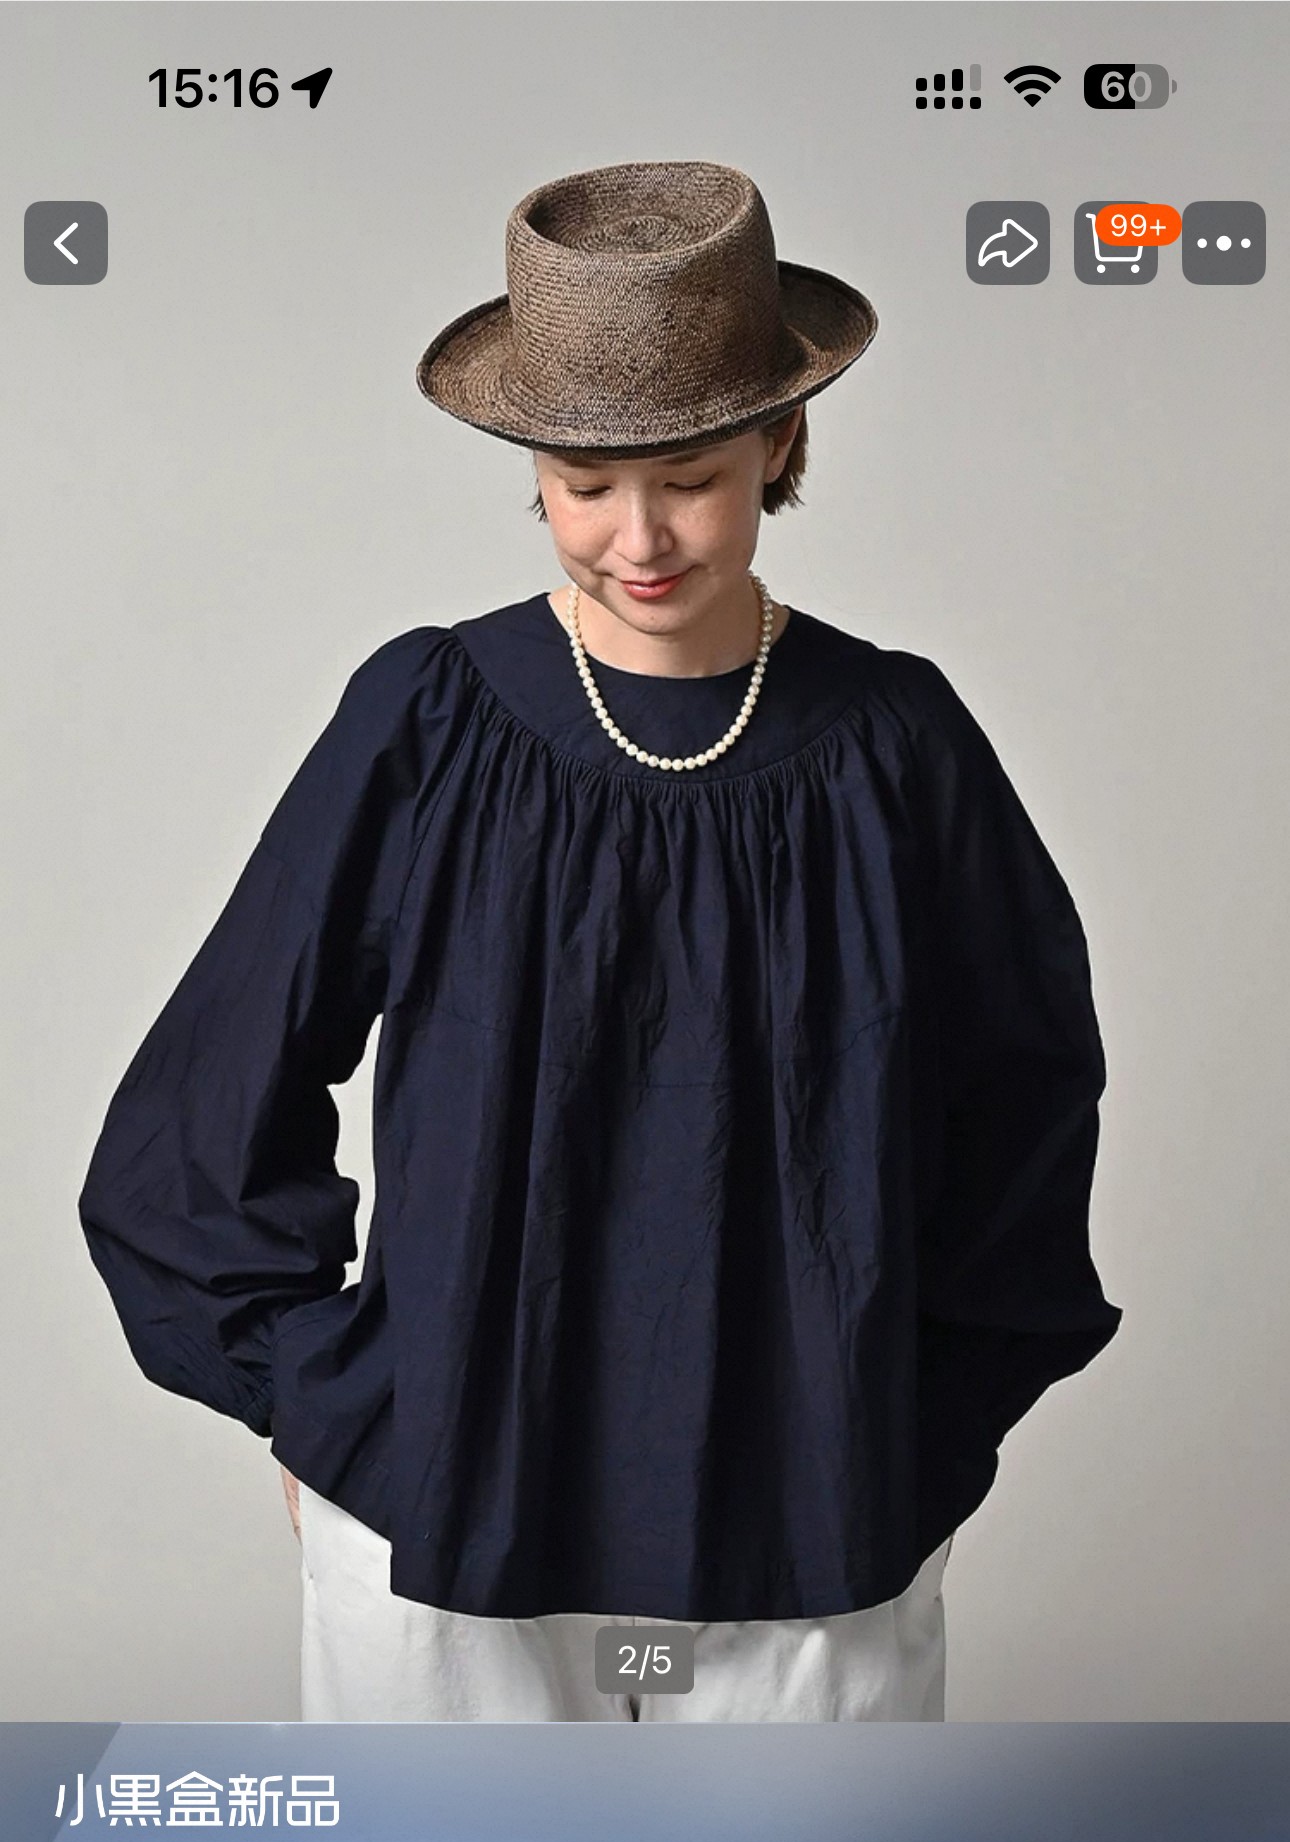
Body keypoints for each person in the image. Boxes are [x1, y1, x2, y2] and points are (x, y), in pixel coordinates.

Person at [79, 158, 1120, 1724]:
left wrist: (926, 1419)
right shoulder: (430, 716)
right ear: (534, 474)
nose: (637, 539)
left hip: (816, 1501)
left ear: (779, 445)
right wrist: (304, 1392)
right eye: (583, 485)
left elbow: (1023, 1102)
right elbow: (220, 1078)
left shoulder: (894, 742)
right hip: (447, 1496)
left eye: (689, 477)